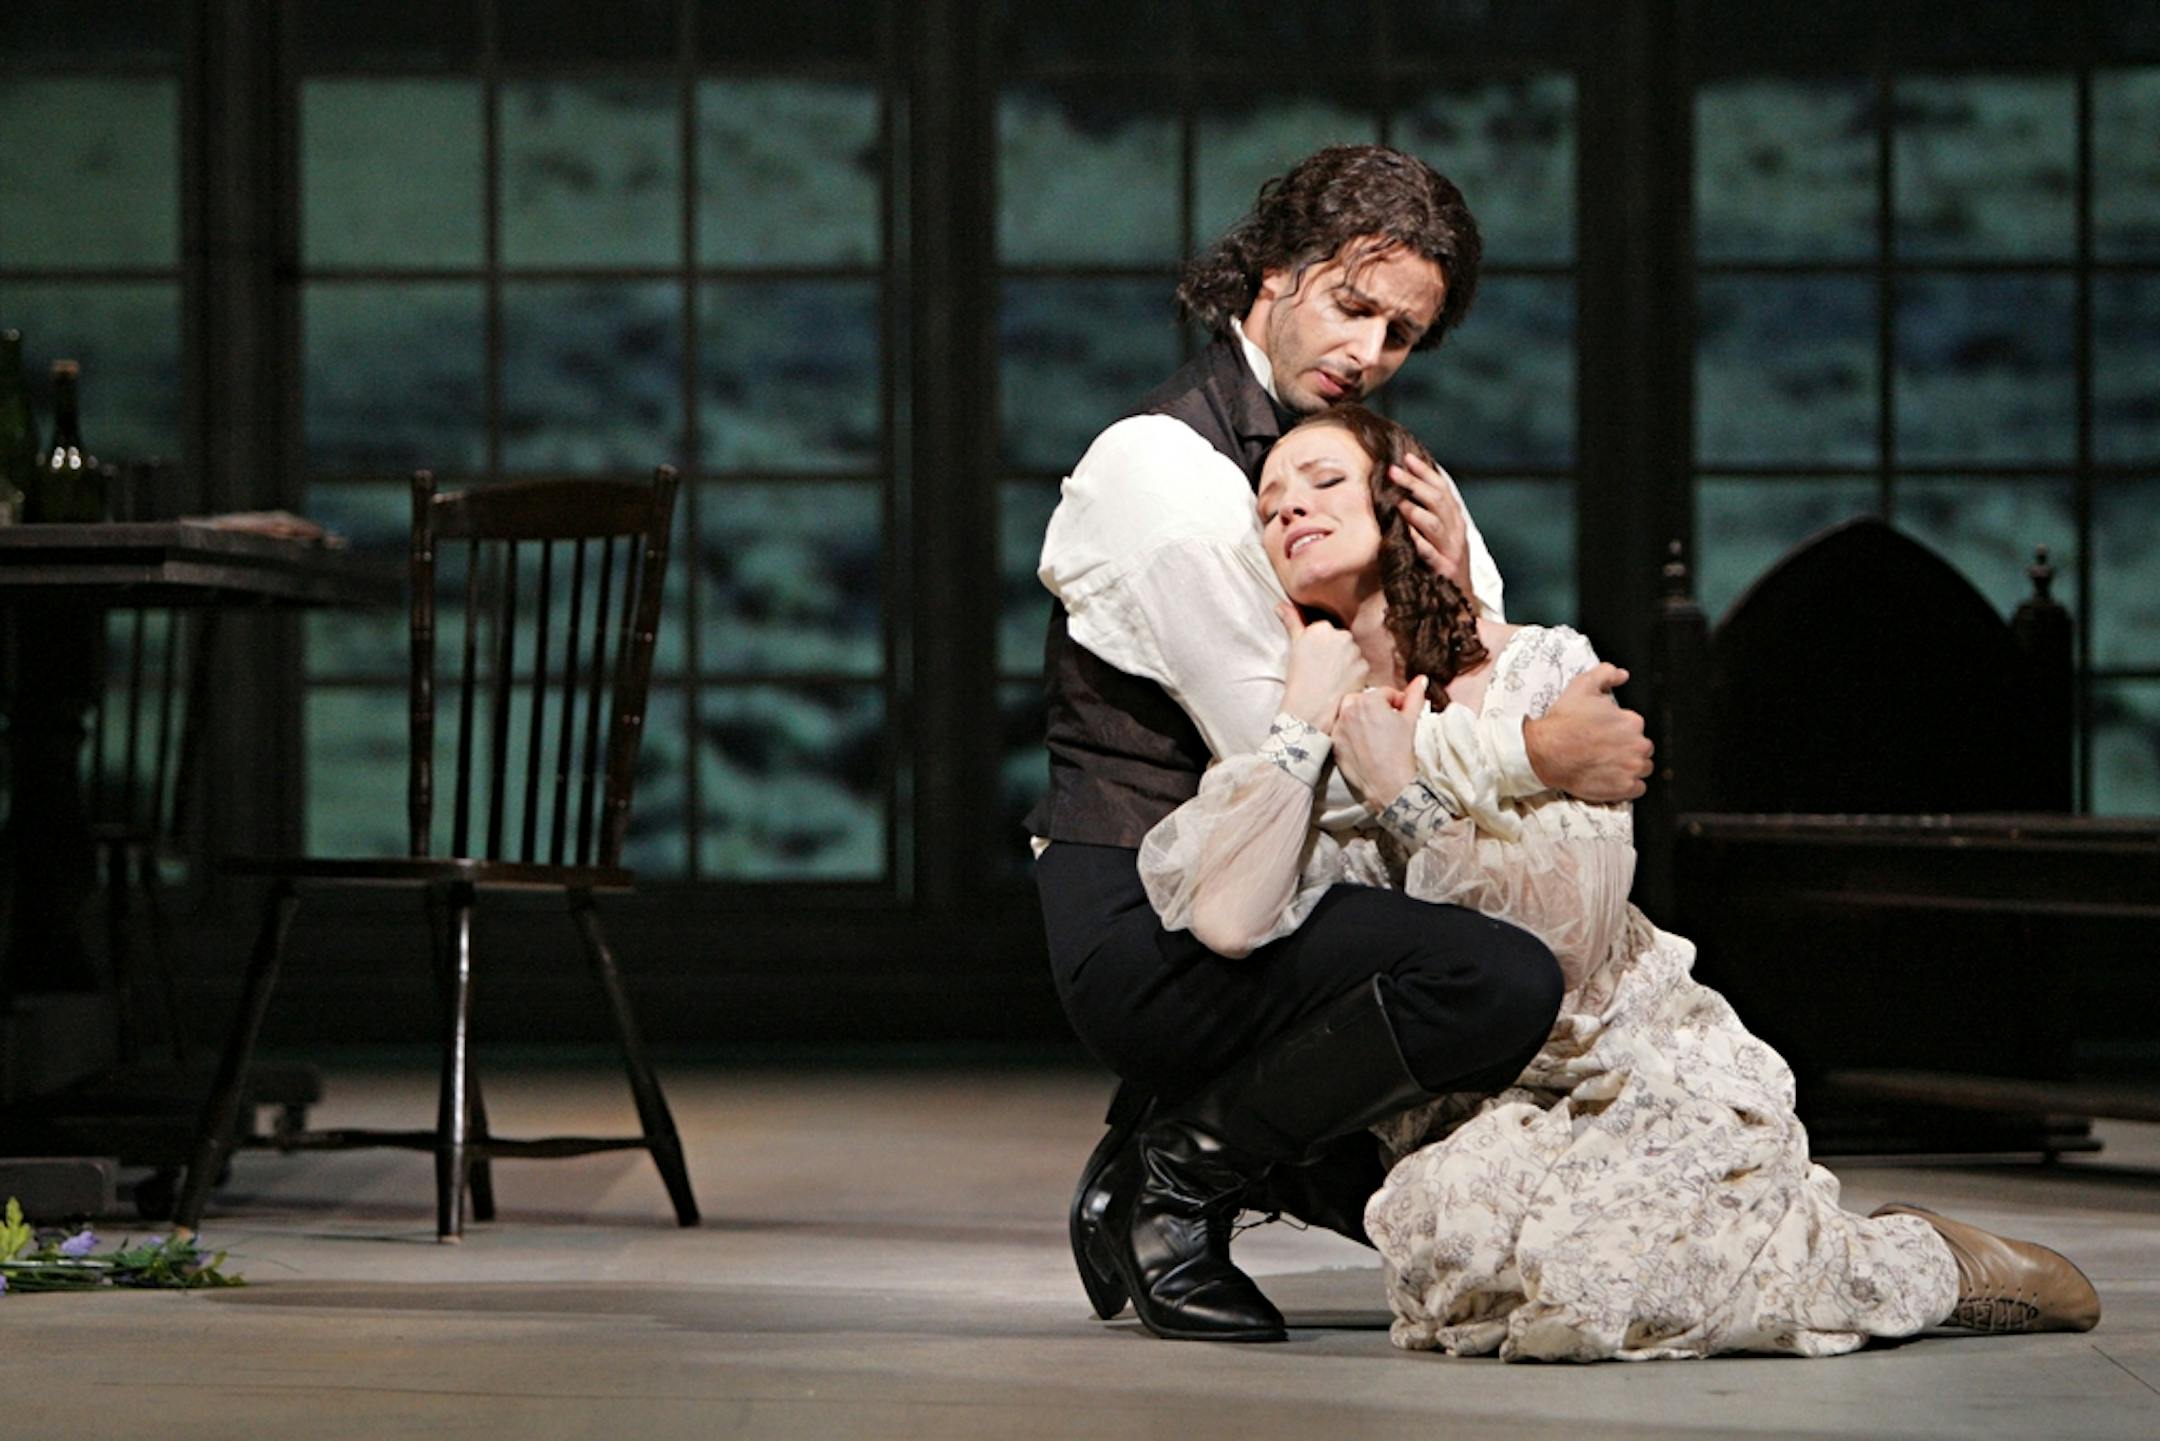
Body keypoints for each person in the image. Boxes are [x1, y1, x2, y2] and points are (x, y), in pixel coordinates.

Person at [1137, 403, 2102, 1359]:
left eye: (1324, 482)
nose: (1289, 510)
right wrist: (1306, 718)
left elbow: (1564, 940)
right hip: (1462, 1104)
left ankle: (1933, 1261)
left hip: (1621, 1055)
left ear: (1405, 505)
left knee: (1626, 1276)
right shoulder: (1300, 714)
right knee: (1478, 1264)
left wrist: (1405, 794)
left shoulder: (1535, 670)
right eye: (1268, 505)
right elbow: (1225, 915)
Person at [1030, 145, 1654, 1343]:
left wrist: (1471, 600)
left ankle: (1206, 1146)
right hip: (1162, 917)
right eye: (1352, 305)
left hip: (1303, 883)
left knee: (1544, 1196)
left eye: (1403, 333)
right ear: (1269, 277)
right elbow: (1298, 757)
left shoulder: (1367, 454)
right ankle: (1178, 1174)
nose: (1370, 352)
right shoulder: (1161, 469)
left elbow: (1449, 682)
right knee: (1494, 980)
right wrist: (1539, 751)